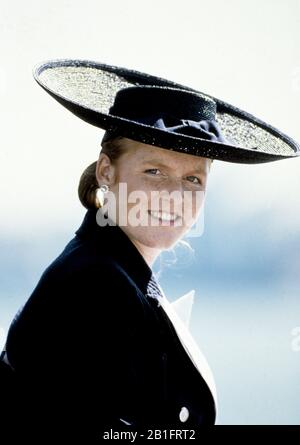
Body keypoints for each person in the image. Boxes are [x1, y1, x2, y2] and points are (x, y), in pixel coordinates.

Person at [1, 60, 299, 440]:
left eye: (193, 178)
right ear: (107, 171)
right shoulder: (96, 285)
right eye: (154, 172)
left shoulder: (108, 269)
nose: (175, 197)